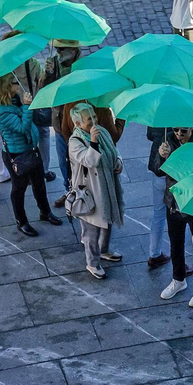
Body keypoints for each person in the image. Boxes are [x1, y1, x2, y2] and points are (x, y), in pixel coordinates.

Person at [0, 75, 61, 236]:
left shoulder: (16, 101)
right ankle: (21, 221)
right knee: (19, 188)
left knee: (39, 183)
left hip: (30, 149)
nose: (18, 85)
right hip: (16, 154)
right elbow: (22, 128)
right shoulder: (1, 110)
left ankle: (45, 212)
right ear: (6, 88)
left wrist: (25, 105)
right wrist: (27, 107)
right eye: (14, 84)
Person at [66, 102, 125, 279]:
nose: (93, 120)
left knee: (107, 220)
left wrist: (119, 163)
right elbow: (89, 161)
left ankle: (104, 250)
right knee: (91, 229)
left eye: (93, 116)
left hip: (107, 186)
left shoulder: (102, 131)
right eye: (88, 119)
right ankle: (92, 263)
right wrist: (93, 141)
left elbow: (114, 151)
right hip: (90, 192)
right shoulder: (75, 141)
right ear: (78, 124)